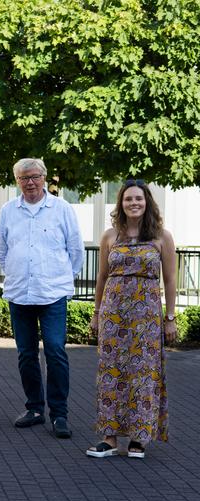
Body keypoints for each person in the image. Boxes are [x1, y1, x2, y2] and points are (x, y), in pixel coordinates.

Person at [86, 180, 175, 459]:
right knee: (111, 374)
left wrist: (170, 318)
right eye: (128, 199)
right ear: (121, 204)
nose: (133, 203)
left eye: (138, 198)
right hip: (114, 315)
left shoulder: (161, 236)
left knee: (143, 375)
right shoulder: (110, 236)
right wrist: (97, 313)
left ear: (147, 201)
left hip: (146, 317)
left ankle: (139, 437)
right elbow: (101, 277)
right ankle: (109, 438)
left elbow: (171, 280)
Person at [0, 158, 84, 439]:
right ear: (17, 181)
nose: (30, 182)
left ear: (45, 178)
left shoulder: (62, 209)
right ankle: (35, 408)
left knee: (56, 352)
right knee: (25, 354)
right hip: (20, 293)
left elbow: (75, 250)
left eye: (35, 176)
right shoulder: (9, 211)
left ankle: (59, 414)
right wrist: (17, 272)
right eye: (24, 178)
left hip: (52, 294)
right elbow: (3, 250)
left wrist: (59, 279)